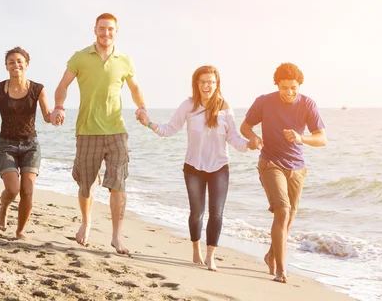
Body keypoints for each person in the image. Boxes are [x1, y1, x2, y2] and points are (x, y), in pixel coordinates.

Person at [137, 65, 255, 271]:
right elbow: (169, 129)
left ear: (217, 84)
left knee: (216, 212)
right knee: (196, 212)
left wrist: (249, 144)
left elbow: (233, 137)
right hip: (193, 167)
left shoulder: (225, 107)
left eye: (211, 82)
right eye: (203, 82)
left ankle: (211, 256)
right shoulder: (189, 106)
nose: (207, 85)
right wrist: (149, 124)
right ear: (197, 84)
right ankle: (195, 249)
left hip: (219, 166)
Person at [50, 13, 146, 255]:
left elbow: (135, 88)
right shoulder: (80, 57)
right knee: (86, 184)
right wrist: (59, 107)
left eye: (111, 29)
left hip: (117, 132)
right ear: (95, 29)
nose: (106, 33)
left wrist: (142, 108)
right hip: (87, 131)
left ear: (116, 31)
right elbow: (62, 85)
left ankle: (116, 236)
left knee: (119, 184)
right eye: (102, 28)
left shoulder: (124, 60)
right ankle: (87, 221)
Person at [240, 62, 326, 283]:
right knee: (282, 211)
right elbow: (245, 126)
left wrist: (301, 138)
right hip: (270, 162)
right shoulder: (264, 102)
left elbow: (322, 138)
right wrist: (254, 138)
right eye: (284, 87)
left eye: (293, 87)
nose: (288, 92)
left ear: (300, 85)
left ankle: (271, 256)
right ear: (277, 85)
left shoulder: (308, 105)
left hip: (297, 168)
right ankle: (281, 269)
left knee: (288, 219)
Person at [0, 47, 52, 239]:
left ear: (27, 64)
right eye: (11, 62)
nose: (16, 64)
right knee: (13, 189)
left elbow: (47, 116)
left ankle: (20, 230)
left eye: (19, 61)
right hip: (6, 145)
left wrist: (56, 115)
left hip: (30, 145)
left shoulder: (37, 89)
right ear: (6, 66)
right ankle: (4, 206)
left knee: (28, 190)